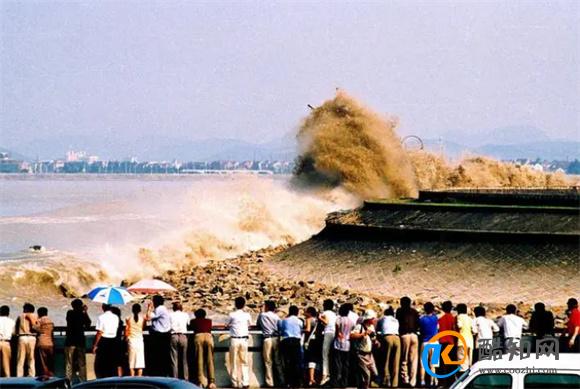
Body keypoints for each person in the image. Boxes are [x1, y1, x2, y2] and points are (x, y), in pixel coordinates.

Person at [226, 296, 252, 389]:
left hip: (234, 339)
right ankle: (245, 382)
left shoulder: (231, 315)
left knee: (233, 362)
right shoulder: (247, 315)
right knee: (244, 362)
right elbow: (250, 325)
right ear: (244, 304)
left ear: (235, 304)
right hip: (244, 340)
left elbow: (227, 325)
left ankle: (235, 383)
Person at [257, 300, 283, 388]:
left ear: (267, 307)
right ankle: (281, 380)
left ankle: (270, 382)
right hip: (276, 338)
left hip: (267, 338)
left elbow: (258, 325)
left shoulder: (262, 315)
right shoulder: (277, 317)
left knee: (268, 361)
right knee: (278, 360)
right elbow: (280, 328)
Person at [350, 309, 378, 389]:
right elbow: (351, 335)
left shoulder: (372, 327)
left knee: (374, 373)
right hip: (361, 354)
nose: (374, 320)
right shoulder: (360, 326)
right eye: (373, 318)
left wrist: (376, 342)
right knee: (366, 375)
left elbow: (373, 338)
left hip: (369, 354)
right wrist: (363, 334)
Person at [64, 299, 91, 382]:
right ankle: (82, 381)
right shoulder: (82, 314)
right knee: (81, 363)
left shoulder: (69, 313)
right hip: (80, 340)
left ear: (72, 306)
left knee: (69, 362)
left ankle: (68, 381)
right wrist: (85, 311)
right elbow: (88, 324)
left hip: (70, 340)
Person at [396, 297, 419, 388]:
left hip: (404, 335)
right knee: (413, 360)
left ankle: (405, 379)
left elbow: (398, 322)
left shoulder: (399, 311)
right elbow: (417, 323)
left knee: (404, 359)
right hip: (414, 335)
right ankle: (413, 381)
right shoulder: (414, 311)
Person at [278, 305, 304, 388]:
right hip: (296, 342)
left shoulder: (284, 321)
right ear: (297, 312)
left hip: (286, 341)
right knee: (297, 362)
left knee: (287, 362)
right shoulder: (299, 321)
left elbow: (281, 330)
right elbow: (301, 330)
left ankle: (288, 382)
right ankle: (297, 382)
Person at [190, 309, 216, 389]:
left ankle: (200, 382)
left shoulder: (193, 321)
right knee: (210, 360)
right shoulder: (209, 321)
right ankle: (211, 382)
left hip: (198, 337)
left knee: (199, 360)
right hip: (208, 337)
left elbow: (190, 328)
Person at [146, 295, 171, 377]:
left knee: (159, 357)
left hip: (160, 335)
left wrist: (149, 308)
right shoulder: (161, 309)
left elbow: (148, 317)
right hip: (163, 335)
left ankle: (160, 374)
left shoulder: (160, 309)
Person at [92, 304, 119, 378]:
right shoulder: (116, 317)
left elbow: (99, 332)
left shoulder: (101, 317)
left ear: (103, 308)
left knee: (103, 364)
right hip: (114, 340)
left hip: (104, 341)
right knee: (112, 363)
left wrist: (95, 345)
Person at [332, 304, 355, 388]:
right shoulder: (351, 321)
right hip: (347, 344)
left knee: (337, 363)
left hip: (338, 343)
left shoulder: (339, 320)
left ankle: (336, 382)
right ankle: (344, 383)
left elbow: (337, 332)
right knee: (345, 364)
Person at [378, 305, 399, 388]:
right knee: (395, 361)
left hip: (387, 338)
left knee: (385, 360)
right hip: (397, 338)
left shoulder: (383, 319)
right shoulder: (396, 320)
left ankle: (386, 381)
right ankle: (395, 383)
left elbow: (378, 329)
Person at [15, 302, 38, 377]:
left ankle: (19, 377)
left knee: (20, 360)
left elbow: (15, 330)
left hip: (22, 338)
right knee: (31, 359)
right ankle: (32, 376)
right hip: (32, 338)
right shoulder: (36, 316)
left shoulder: (20, 316)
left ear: (25, 309)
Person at [418, 302, 438, 387]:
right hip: (435, 342)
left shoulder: (422, 319)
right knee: (433, 364)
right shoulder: (435, 318)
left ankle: (422, 381)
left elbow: (420, 329)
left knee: (423, 363)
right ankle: (432, 382)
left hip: (425, 342)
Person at [169, 302, 190, 380]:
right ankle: (185, 379)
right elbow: (188, 324)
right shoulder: (186, 315)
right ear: (181, 308)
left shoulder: (170, 315)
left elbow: (168, 326)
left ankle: (175, 379)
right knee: (184, 360)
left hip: (174, 336)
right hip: (183, 336)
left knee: (174, 360)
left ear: (174, 308)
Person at [437, 300, 456, 384]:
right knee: (450, 363)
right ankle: (450, 381)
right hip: (451, 342)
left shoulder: (440, 318)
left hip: (441, 342)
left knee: (442, 364)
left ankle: (442, 382)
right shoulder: (453, 318)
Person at [304, 306, 323, 387]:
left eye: (306, 312)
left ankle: (311, 379)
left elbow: (308, 330)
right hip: (319, 341)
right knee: (317, 359)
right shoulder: (319, 320)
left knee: (311, 360)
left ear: (309, 313)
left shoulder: (309, 319)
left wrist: (301, 330)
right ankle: (317, 378)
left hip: (311, 341)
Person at [319, 299, 337, 386]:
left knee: (325, 354)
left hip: (327, 333)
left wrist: (319, 318)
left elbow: (326, 322)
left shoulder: (324, 313)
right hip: (334, 333)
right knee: (332, 355)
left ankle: (325, 374)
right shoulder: (334, 314)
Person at [125, 303, 146, 377]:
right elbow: (143, 328)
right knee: (140, 363)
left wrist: (125, 339)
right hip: (140, 341)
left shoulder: (128, 318)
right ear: (140, 310)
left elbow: (127, 331)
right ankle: (140, 379)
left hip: (132, 341)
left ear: (132, 310)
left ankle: (132, 379)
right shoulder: (143, 318)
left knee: (132, 364)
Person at [34, 307, 55, 376]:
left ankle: (45, 376)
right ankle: (51, 376)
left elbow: (34, 328)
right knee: (50, 362)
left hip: (42, 342)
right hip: (50, 343)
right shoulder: (51, 321)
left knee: (43, 362)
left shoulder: (39, 320)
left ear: (39, 313)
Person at [455, 304, 473, 373]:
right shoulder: (470, 318)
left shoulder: (459, 317)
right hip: (470, 342)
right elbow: (474, 330)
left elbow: (459, 326)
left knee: (462, 363)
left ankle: (463, 381)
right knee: (469, 363)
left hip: (461, 341)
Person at [0, 305, 15, 377]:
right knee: (6, 365)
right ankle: (7, 380)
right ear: (8, 313)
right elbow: (14, 333)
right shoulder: (12, 321)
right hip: (6, 343)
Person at [110, 307, 125, 377]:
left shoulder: (113, 322)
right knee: (119, 364)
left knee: (113, 363)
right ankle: (120, 378)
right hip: (119, 343)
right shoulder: (121, 322)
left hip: (112, 342)